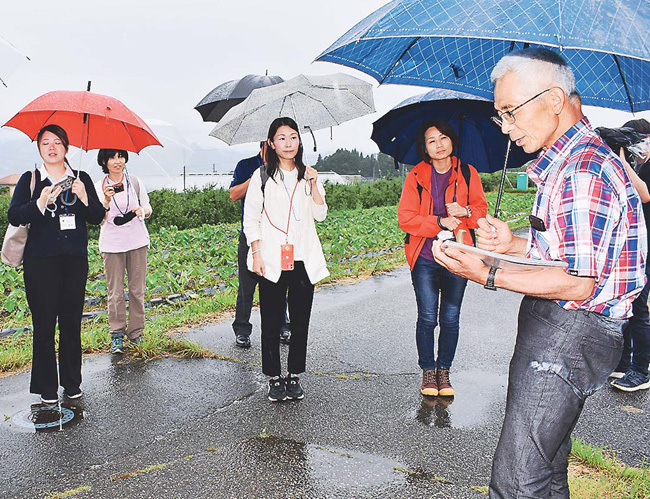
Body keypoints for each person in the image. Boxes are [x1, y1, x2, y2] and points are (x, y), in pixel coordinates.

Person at [431, 48, 646, 498]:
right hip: (565, 328)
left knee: (517, 479)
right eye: (500, 116)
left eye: (510, 112)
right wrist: (511, 244)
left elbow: (578, 281)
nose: (506, 127)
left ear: (553, 99)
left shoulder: (583, 169)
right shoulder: (566, 162)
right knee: (546, 470)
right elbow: (567, 250)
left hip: (570, 329)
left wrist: (486, 272)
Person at [7, 124, 105, 405]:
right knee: (44, 324)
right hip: (40, 264)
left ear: (67, 148)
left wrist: (85, 197)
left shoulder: (81, 177)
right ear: (39, 147)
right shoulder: (31, 179)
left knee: (72, 324)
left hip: (74, 262)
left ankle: (72, 383)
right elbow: (14, 216)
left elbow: (97, 216)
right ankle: (47, 387)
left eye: (57, 142)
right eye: (46, 142)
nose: (52, 147)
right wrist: (39, 203)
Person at [398, 119, 487, 397]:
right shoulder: (416, 176)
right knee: (427, 317)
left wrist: (465, 212)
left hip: (458, 256)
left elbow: (481, 213)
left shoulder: (468, 173)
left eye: (443, 138)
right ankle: (428, 370)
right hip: (424, 257)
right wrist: (440, 221)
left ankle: (444, 371)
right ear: (424, 148)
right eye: (431, 140)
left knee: (450, 317)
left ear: (451, 141)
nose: (438, 145)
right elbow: (406, 219)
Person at [243, 117, 329, 402]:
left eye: (293, 137)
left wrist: (314, 185)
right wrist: (255, 253)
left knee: (300, 321)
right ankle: (273, 377)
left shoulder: (309, 175)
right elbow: (251, 219)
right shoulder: (262, 176)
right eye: (281, 138)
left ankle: (294, 375)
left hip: (303, 257)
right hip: (270, 257)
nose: (288, 143)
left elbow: (321, 214)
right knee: (270, 319)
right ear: (271, 143)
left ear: (299, 142)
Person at [230, 142, 291, 348]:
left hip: (277, 237)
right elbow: (234, 194)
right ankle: (242, 330)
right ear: (264, 143)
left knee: (279, 282)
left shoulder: (284, 166)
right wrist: (257, 176)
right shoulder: (245, 165)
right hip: (249, 235)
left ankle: (283, 326)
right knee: (246, 286)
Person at [95, 149, 152, 354]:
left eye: (120, 156)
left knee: (137, 290)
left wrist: (142, 211)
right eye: (112, 157)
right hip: (111, 245)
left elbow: (148, 206)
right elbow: (98, 219)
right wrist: (106, 202)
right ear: (104, 161)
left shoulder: (134, 182)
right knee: (115, 292)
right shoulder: (98, 186)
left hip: (137, 242)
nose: (117, 161)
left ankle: (136, 332)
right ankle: (117, 334)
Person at [610, 118, 650, 391]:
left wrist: (623, 163)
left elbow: (645, 195)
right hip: (635, 245)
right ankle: (623, 363)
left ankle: (641, 370)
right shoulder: (639, 164)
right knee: (627, 303)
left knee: (639, 309)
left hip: (648, 249)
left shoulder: (641, 167)